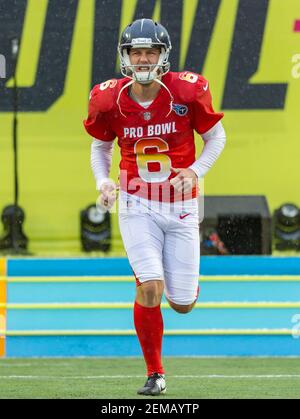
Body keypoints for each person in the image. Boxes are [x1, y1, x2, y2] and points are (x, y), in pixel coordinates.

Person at [84, 18, 226, 396]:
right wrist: (103, 181)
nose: (143, 58)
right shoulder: (107, 98)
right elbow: (101, 145)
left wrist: (196, 171)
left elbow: (216, 136)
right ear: (125, 56)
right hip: (136, 202)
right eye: (136, 51)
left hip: (180, 206)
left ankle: (184, 288)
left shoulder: (186, 91)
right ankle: (155, 373)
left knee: (181, 304)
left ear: (163, 56)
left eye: (150, 51)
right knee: (150, 287)